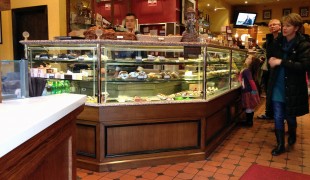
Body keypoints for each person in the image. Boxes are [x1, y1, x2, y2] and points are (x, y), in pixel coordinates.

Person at [267, 13, 310, 156]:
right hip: (277, 84)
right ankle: (280, 144)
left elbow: (303, 66)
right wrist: (271, 59)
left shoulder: (303, 44)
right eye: (283, 25)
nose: (284, 28)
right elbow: (271, 56)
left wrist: (281, 62)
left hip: (293, 86)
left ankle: (292, 133)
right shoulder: (278, 41)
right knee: (278, 115)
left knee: (290, 115)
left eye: (288, 26)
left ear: (296, 28)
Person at [257, 19, 282, 120]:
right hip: (269, 69)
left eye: (274, 25)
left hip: (279, 69)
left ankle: (280, 116)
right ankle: (269, 113)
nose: (272, 26)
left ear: (280, 26)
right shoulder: (269, 39)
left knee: (278, 92)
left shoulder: (283, 38)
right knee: (269, 91)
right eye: (270, 25)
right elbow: (264, 51)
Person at [239, 55, 261, 127]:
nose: (246, 58)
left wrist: (254, 92)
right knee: (251, 107)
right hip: (250, 91)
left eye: (248, 58)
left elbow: (250, 81)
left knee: (248, 106)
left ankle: (249, 122)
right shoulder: (249, 70)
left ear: (251, 62)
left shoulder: (246, 70)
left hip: (248, 91)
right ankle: (250, 121)